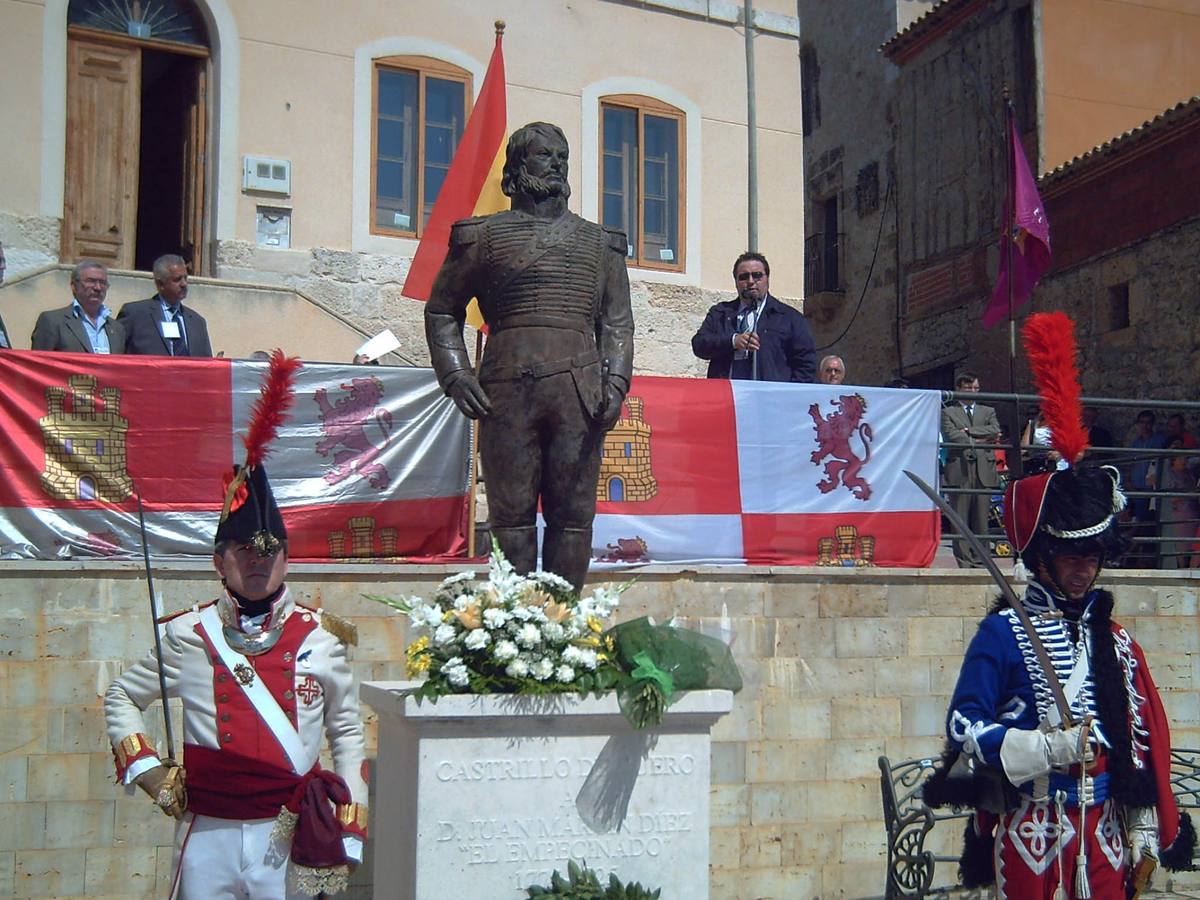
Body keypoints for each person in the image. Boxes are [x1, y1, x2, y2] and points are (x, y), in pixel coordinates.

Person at [104, 353, 367, 898]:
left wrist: (351, 827)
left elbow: (345, 732)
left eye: (269, 552)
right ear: (218, 561)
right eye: (242, 550)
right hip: (210, 834)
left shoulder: (323, 638)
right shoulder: (186, 636)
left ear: (288, 560)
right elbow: (121, 697)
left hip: (290, 834)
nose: (257, 561)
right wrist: (148, 769)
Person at [425, 121, 633, 592]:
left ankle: (564, 629)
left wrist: (616, 383)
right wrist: (456, 375)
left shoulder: (600, 244)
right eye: (544, 155)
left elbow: (617, 323)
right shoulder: (479, 237)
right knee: (511, 514)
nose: (556, 163)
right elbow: (442, 311)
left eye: (562, 155)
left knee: (574, 516)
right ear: (519, 166)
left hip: (579, 392)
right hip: (506, 390)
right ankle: (513, 626)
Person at [691, 252, 815, 382]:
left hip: (770, 398)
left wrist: (785, 396)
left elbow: (806, 365)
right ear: (736, 282)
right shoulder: (720, 313)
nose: (750, 281)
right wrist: (733, 341)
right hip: (728, 396)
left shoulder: (790, 318)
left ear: (767, 279)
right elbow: (699, 345)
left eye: (757, 275)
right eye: (744, 277)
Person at [940, 372, 1001, 567]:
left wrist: (969, 432)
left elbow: (995, 430)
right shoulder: (948, 412)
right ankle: (965, 561)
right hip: (960, 469)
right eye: (969, 388)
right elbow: (950, 435)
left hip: (983, 469)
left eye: (976, 388)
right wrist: (979, 441)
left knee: (982, 518)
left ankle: (982, 560)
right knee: (960, 518)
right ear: (959, 389)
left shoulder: (987, 410)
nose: (974, 392)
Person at [117, 253, 213, 357]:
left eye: (185, 278)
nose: (184, 284)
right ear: (160, 284)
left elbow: (207, 363)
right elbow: (115, 355)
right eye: (177, 279)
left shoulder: (197, 322)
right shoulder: (135, 315)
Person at [31, 260, 127, 353]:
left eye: (102, 282)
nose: (98, 287)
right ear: (74, 286)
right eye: (91, 281)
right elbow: (38, 364)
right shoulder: (52, 322)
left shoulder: (117, 328)